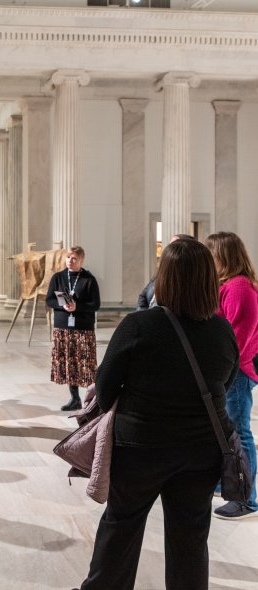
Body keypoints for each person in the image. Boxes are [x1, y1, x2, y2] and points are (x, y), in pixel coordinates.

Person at [75, 239, 239, 590]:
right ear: (209, 280)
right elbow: (226, 380)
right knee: (190, 539)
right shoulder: (221, 331)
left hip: (140, 449)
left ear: (164, 278)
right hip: (201, 452)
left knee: (122, 527)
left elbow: (104, 389)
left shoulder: (139, 326)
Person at [205, 231, 258, 520]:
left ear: (223, 255)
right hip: (226, 372)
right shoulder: (228, 285)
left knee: (239, 434)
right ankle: (225, 483)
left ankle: (246, 499)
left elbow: (237, 339)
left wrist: (219, 369)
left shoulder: (239, 287)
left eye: (210, 253)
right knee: (225, 433)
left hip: (235, 374)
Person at [45, 246, 100, 411]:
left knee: (86, 363)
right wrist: (64, 306)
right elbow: (49, 301)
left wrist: (77, 306)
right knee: (69, 364)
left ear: (81, 260)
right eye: (68, 257)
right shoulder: (58, 277)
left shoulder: (89, 279)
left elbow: (95, 304)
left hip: (83, 328)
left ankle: (93, 399)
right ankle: (75, 398)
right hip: (63, 327)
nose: (70, 260)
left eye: (74, 258)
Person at [136, 234, 195, 311]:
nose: (168, 248)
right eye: (169, 244)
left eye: (174, 245)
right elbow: (142, 296)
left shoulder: (186, 278)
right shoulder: (160, 272)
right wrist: (142, 315)